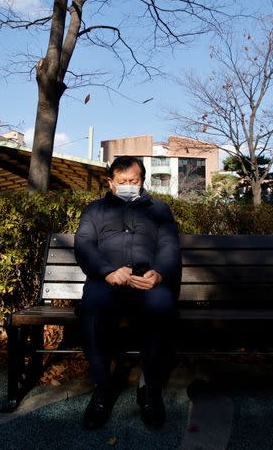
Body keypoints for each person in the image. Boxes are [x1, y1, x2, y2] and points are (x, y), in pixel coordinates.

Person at [74, 155, 182, 430]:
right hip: (107, 281)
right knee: (91, 311)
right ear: (110, 183)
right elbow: (84, 244)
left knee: (162, 308)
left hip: (147, 281)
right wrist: (108, 271)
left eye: (133, 181)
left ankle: (151, 389)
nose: (128, 186)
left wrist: (158, 273)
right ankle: (102, 388)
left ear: (142, 180)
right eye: (121, 182)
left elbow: (169, 245)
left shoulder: (159, 209)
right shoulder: (95, 210)